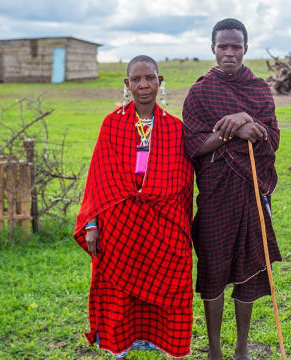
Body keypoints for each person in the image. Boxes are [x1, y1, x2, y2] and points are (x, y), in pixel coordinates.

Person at [74, 55, 194, 359]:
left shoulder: (174, 128)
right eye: (137, 79)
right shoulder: (112, 124)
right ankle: (120, 347)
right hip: (119, 228)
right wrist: (91, 225)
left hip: (164, 228)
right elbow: (98, 180)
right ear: (127, 84)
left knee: (172, 287)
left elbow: (182, 181)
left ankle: (170, 345)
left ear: (160, 81)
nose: (144, 85)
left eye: (150, 78)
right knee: (120, 292)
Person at [182, 18, 281, 360]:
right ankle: (214, 351)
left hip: (251, 195)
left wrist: (243, 117)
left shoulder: (259, 89)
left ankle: (241, 348)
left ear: (245, 49)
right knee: (212, 270)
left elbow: (273, 139)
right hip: (215, 196)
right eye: (222, 46)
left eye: (235, 46)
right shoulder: (200, 91)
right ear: (212, 48)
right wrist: (234, 129)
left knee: (248, 269)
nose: (228, 52)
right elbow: (193, 144)